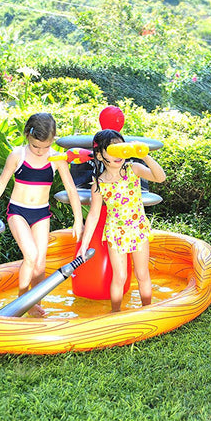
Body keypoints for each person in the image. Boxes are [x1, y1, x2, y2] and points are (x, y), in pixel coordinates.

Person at [0, 112, 83, 317]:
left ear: (53, 140)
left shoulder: (56, 158)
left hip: (41, 214)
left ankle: (36, 304)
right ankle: (22, 302)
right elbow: (1, 182)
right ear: (28, 135)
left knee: (40, 264)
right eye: (36, 146)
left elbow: (72, 190)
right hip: (18, 211)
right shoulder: (17, 155)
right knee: (30, 256)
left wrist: (78, 220)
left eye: (46, 146)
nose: (41, 151)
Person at [77, 129, 166, 312]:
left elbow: (160, 177)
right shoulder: (99, 184)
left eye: (120, 147)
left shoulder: (133, 169)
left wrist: (146, 157)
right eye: (112, 149)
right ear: (100, 155)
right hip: (116, 234)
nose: (118, 153)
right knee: (119, 277)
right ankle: (115, 313)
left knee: (142, 274)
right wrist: (83, 246)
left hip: (137, 229)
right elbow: (93, 215)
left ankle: (147, 311)